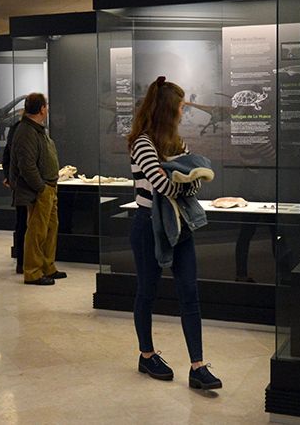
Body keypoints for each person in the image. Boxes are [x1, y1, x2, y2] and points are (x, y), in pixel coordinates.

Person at [127, 76, 222, 390]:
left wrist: (181, 179)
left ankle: (198, 366)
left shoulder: (176, 143)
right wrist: (182, 179)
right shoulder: (142, 143)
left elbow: (195, 183)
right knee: (147, 291)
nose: (184, 111)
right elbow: (165, 185)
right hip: (148, 224)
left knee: (189, 293)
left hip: (180, 224)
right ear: (169, 110)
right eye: (180, 106)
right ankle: (146, 355)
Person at [9, 93, 65, 286]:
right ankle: (33, 272)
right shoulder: (26, 131)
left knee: (50, 228)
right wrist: (41, 188)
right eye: (46, 106)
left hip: (48, 187)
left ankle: (48, 266)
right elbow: (27, 166)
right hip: (39, 190)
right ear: (42, 109)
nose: (47, 109)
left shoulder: (37, 129)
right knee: (36, 232)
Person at [2, 119, 26, 274]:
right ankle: (23, 261)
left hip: (20, 184)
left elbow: (7, 157)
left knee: (22, 223)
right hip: (24, 186)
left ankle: (23, 261)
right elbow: (9, 157)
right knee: (23, 223)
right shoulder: (21, 130)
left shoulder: (19, 129)